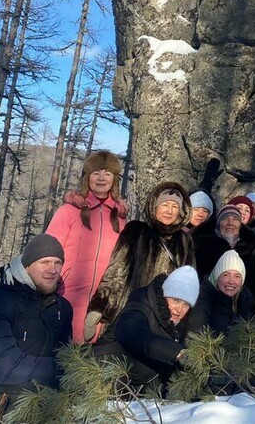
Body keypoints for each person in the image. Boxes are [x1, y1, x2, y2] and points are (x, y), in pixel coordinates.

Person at [0, 235, 73, 421]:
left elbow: (65, 355)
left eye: (58, 262)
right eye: (44, 262)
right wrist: (61, 373)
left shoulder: (62, 309)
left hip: (40, 390)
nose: (52, 269)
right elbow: (2, 365)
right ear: (26, 266)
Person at [85, 182, 194, 342]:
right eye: (164, 205)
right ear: (154, 206)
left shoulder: (185, 241)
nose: (169, 211)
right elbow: (117, 271)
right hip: (127, 313)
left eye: (174, 206)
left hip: (163, 321)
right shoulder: (136, 230)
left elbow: (187, 286)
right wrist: (99, 306)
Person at [46, 150, 127, 343]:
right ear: (87, 176)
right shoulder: (68, 212)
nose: (101, 178)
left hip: (101, 308)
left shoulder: (119, 219)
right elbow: (48, 253)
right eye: (96, 172)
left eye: (107, 173)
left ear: (114, 180)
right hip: (65, 300)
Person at [94, 266, 199, 395]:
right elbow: (137, 335)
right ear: (165, 295)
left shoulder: (179, 327)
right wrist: (176, 352)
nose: (179, 309)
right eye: (176, 300)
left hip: (134, 393)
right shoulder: (140, 305)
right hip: (100, 379)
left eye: (186, 305)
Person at [193, 204, 255, 309]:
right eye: (225, 218)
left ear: (240, 224)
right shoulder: (204, 247)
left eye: (235, 219)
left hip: (243, 307)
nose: (230, 223)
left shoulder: (249, 248)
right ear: (218, 223)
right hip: (208, 305)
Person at [188, 250, 255, 334]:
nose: (231, 281)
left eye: (237, 276)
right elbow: (194, 342)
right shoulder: (202, 305)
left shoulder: (245, 302)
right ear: (217, 277)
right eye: (226, 275)